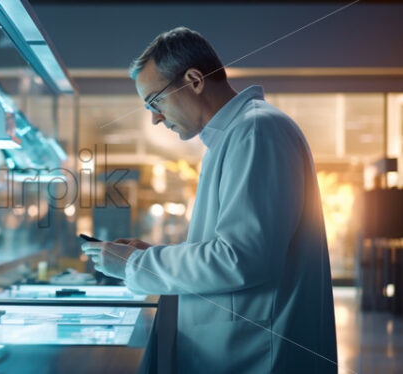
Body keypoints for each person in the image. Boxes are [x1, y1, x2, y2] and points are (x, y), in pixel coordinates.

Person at [82, 27, 337, 373]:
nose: (155, 118)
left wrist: (133, 266)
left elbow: (240, 258)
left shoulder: (256, 131)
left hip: (260, 355)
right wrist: (147, 256)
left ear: (194, 80)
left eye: (155, 101)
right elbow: (231, 247)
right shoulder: (237, 135)